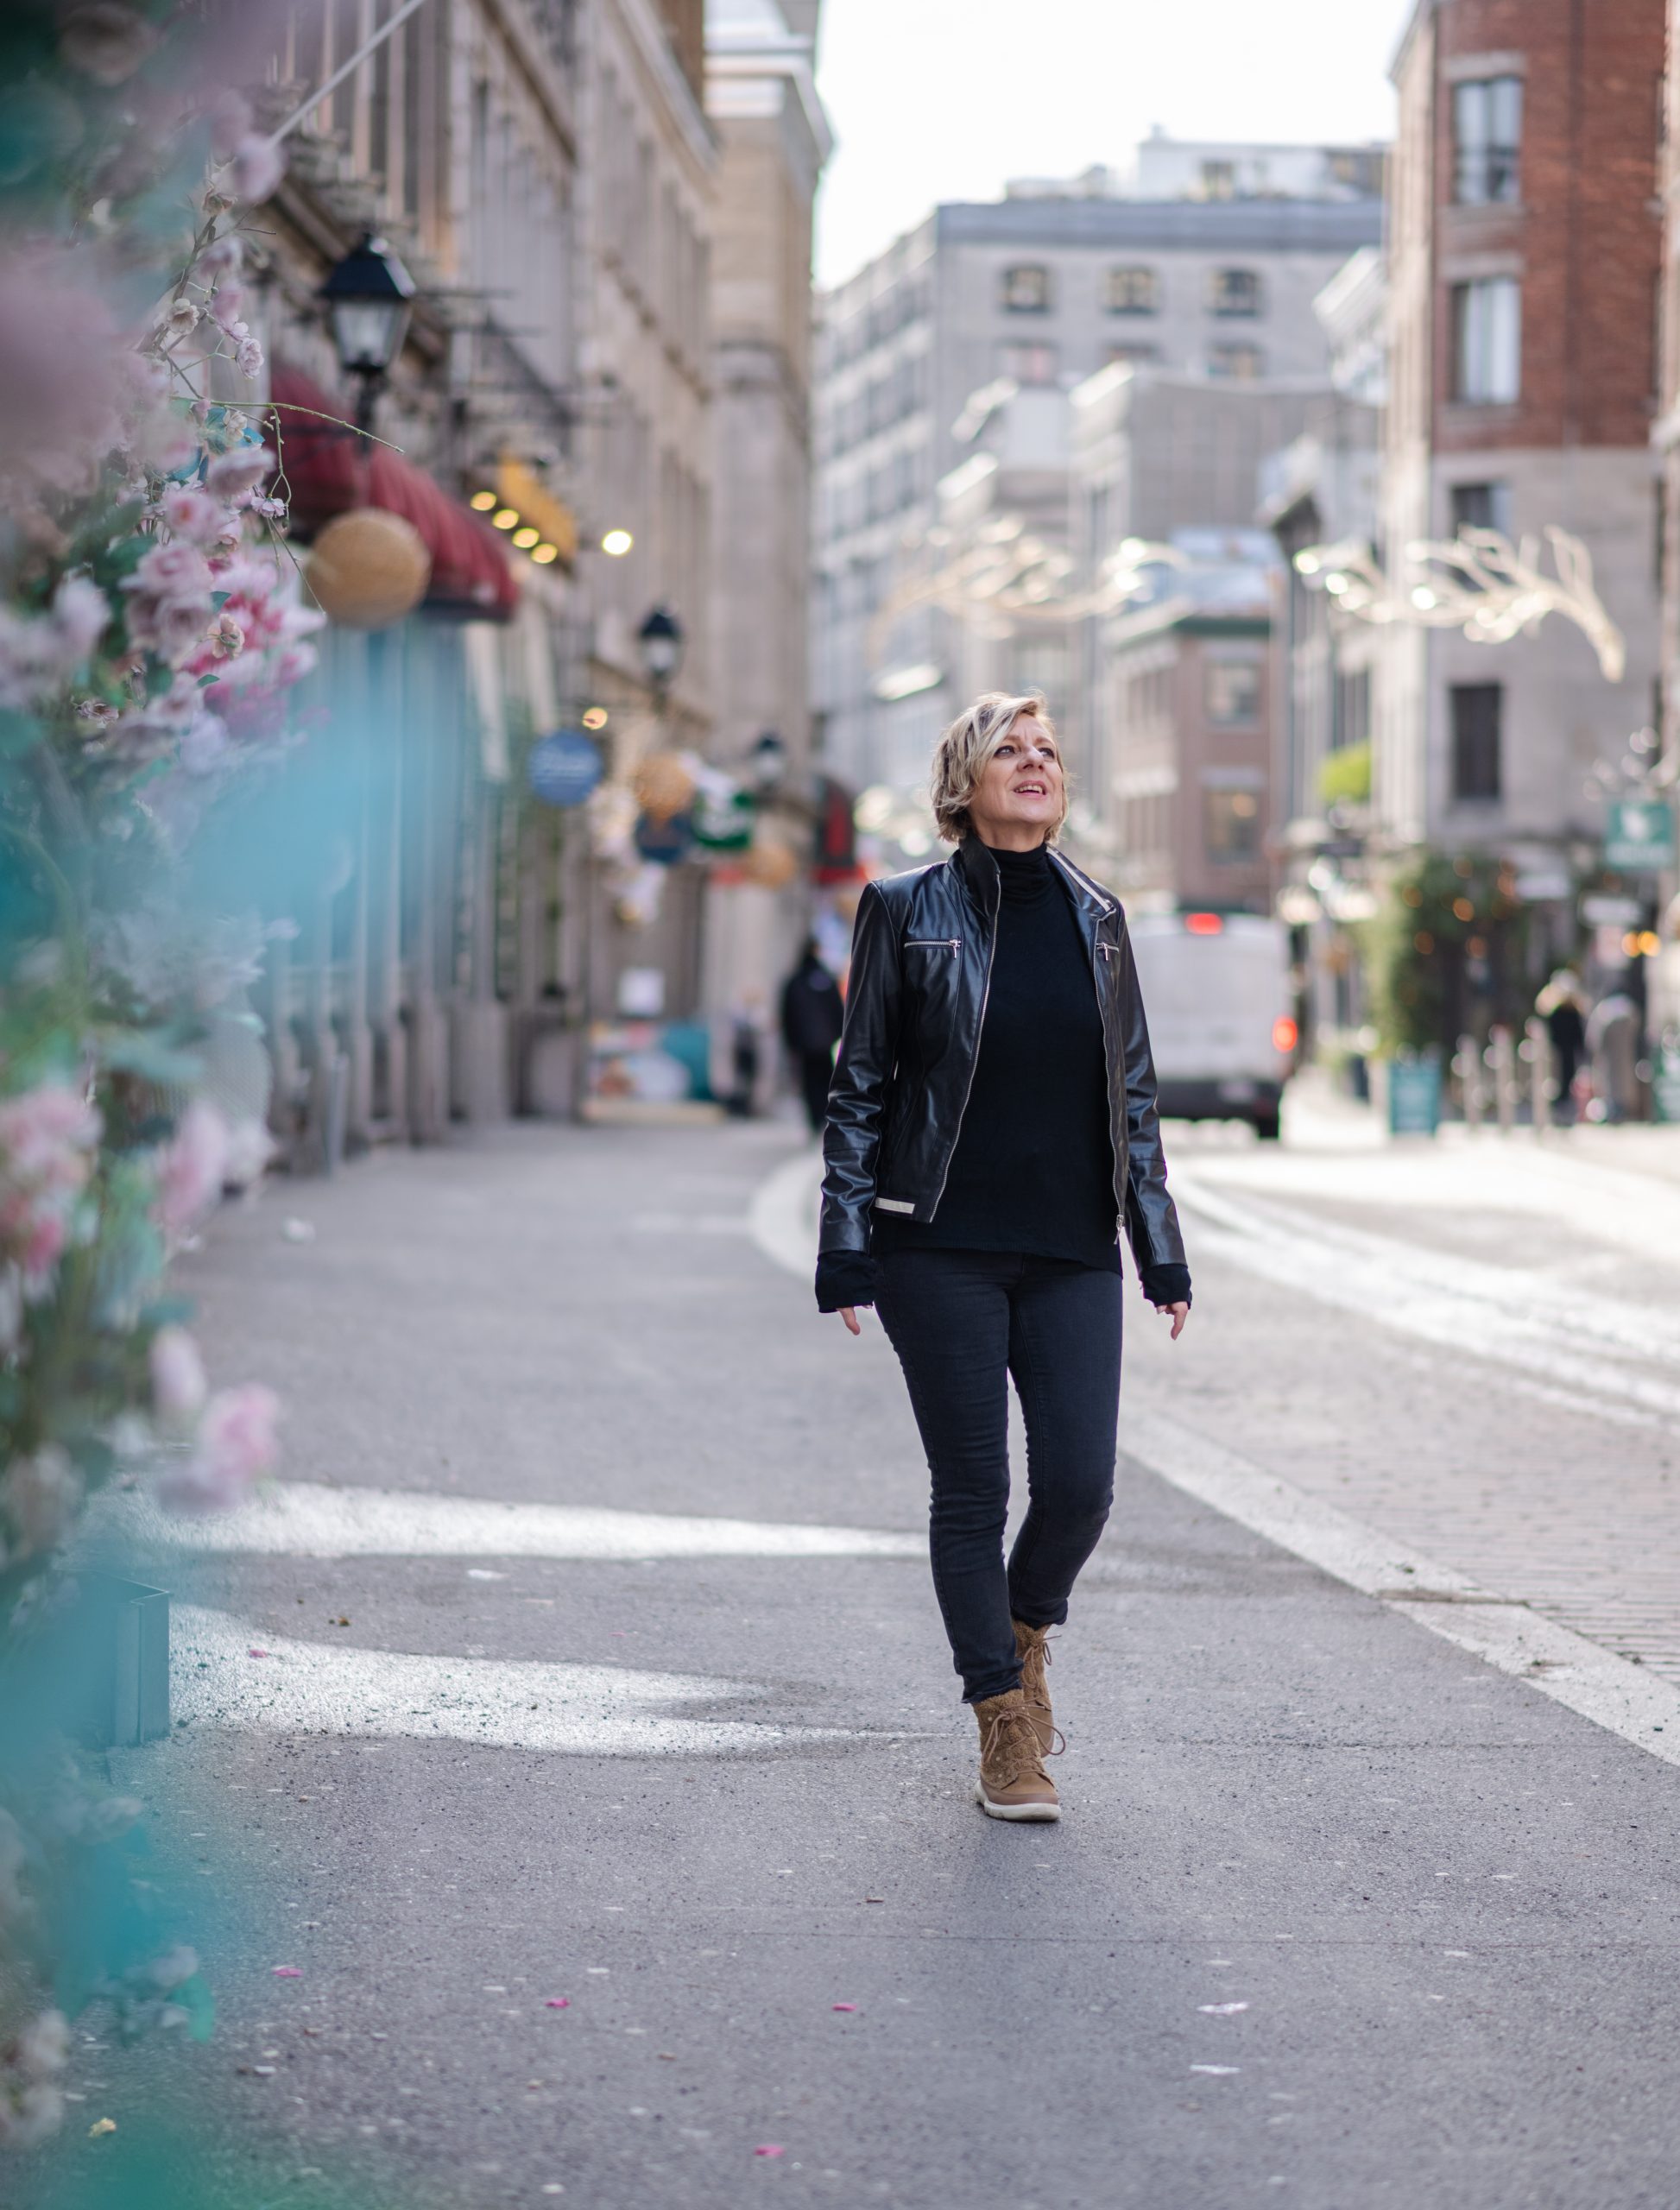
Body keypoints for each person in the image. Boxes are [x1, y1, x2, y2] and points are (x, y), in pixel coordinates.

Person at [815, 691, 1191, 1823]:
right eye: (1007, 752)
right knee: (972, 1488)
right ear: (962, 784)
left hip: (1072, 1245)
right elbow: (861, 1083)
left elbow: (1130, 1088)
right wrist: (845, 1243)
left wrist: (1158, 1248)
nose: (1033, 765)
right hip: (940, 1246)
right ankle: (1002, 1721)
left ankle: (1020, 1632)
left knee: (1079, 1484)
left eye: (1046, 753)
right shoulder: (902, 910)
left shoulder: (1101, 916)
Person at [780, 938, 844, 1136]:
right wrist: (838, 1034)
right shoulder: (827, 979)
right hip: (826, 1043)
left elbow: (787, 1014)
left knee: (809, 1083)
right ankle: (823, 1117)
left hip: (805, 1044)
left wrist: (791, 1042)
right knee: (825, 1081)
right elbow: (838, 1010)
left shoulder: (795, 981)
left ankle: (814, 1119)